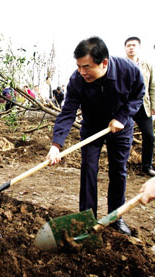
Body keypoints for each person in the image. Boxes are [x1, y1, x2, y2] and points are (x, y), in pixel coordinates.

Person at [46, 36, 145, 236]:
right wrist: (56, 145)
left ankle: (115, 218)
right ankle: (86, 217)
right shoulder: (77, 80)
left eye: (87, 67)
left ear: (104, 63)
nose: (82, 72)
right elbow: (67, 113)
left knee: (118, 171)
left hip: (120, 126)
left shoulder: (128, 70)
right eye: (79, 66)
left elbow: (138, 94)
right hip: (92, 127)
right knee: (88, 168)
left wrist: (122, 116)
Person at [124, 36, 155, 176]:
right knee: (124, 136)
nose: (131, 47)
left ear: (139, 47)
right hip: (126, 107)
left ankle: (146, 166)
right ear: (125, 48)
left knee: (149, 135)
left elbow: (152, 86)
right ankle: (122, 164)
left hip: (144, 106)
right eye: (128, 45)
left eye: (134, 45)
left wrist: (153, 105)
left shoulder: (147, 65)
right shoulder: (120, 65)